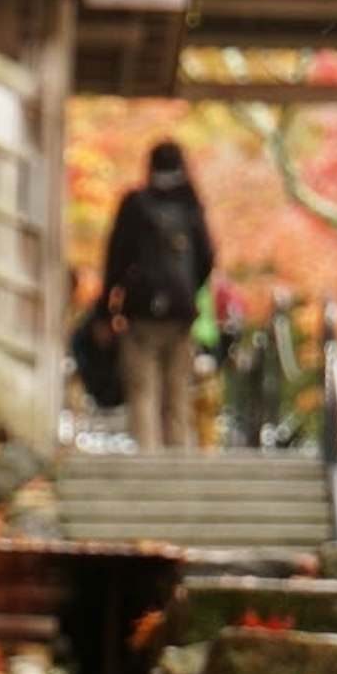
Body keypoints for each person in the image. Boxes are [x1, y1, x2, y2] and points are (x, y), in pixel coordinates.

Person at [97, 140, 213, 452]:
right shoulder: (191, 205)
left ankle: (147, 461)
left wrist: (106, 310)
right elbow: (207, 258)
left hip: (140, 312)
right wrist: (189, 289)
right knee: (177, 392)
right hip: (181, 312)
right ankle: (178, 461)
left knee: (142, 390)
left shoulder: (135, 204)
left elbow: (115, 260)